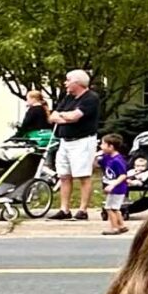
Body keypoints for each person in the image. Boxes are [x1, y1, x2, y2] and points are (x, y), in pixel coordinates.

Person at [49, 70, 104, 222]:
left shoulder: (90, 98)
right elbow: (53, 116)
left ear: (77, 83)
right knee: (64, 175)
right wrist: (64, 117)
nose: (65, 83)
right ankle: (64, 209)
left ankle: (82, 210)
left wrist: (64, 116)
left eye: (68, 80)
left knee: (83, 175)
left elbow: (75, 117)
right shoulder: (68, 98)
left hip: (83, 141)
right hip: (65, 141)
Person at [97, 132, 131, 234]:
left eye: (103, 144)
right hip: (113, 187)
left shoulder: (117, 160)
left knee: (110, 208)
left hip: (118, 188)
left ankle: (114, 227)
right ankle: (122, 225)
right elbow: (97, 165)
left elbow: (123, 175)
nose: (100, 146)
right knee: (115, 208)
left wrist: (113, 185)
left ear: (110, 146)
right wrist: (95, 157)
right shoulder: (107, 157)